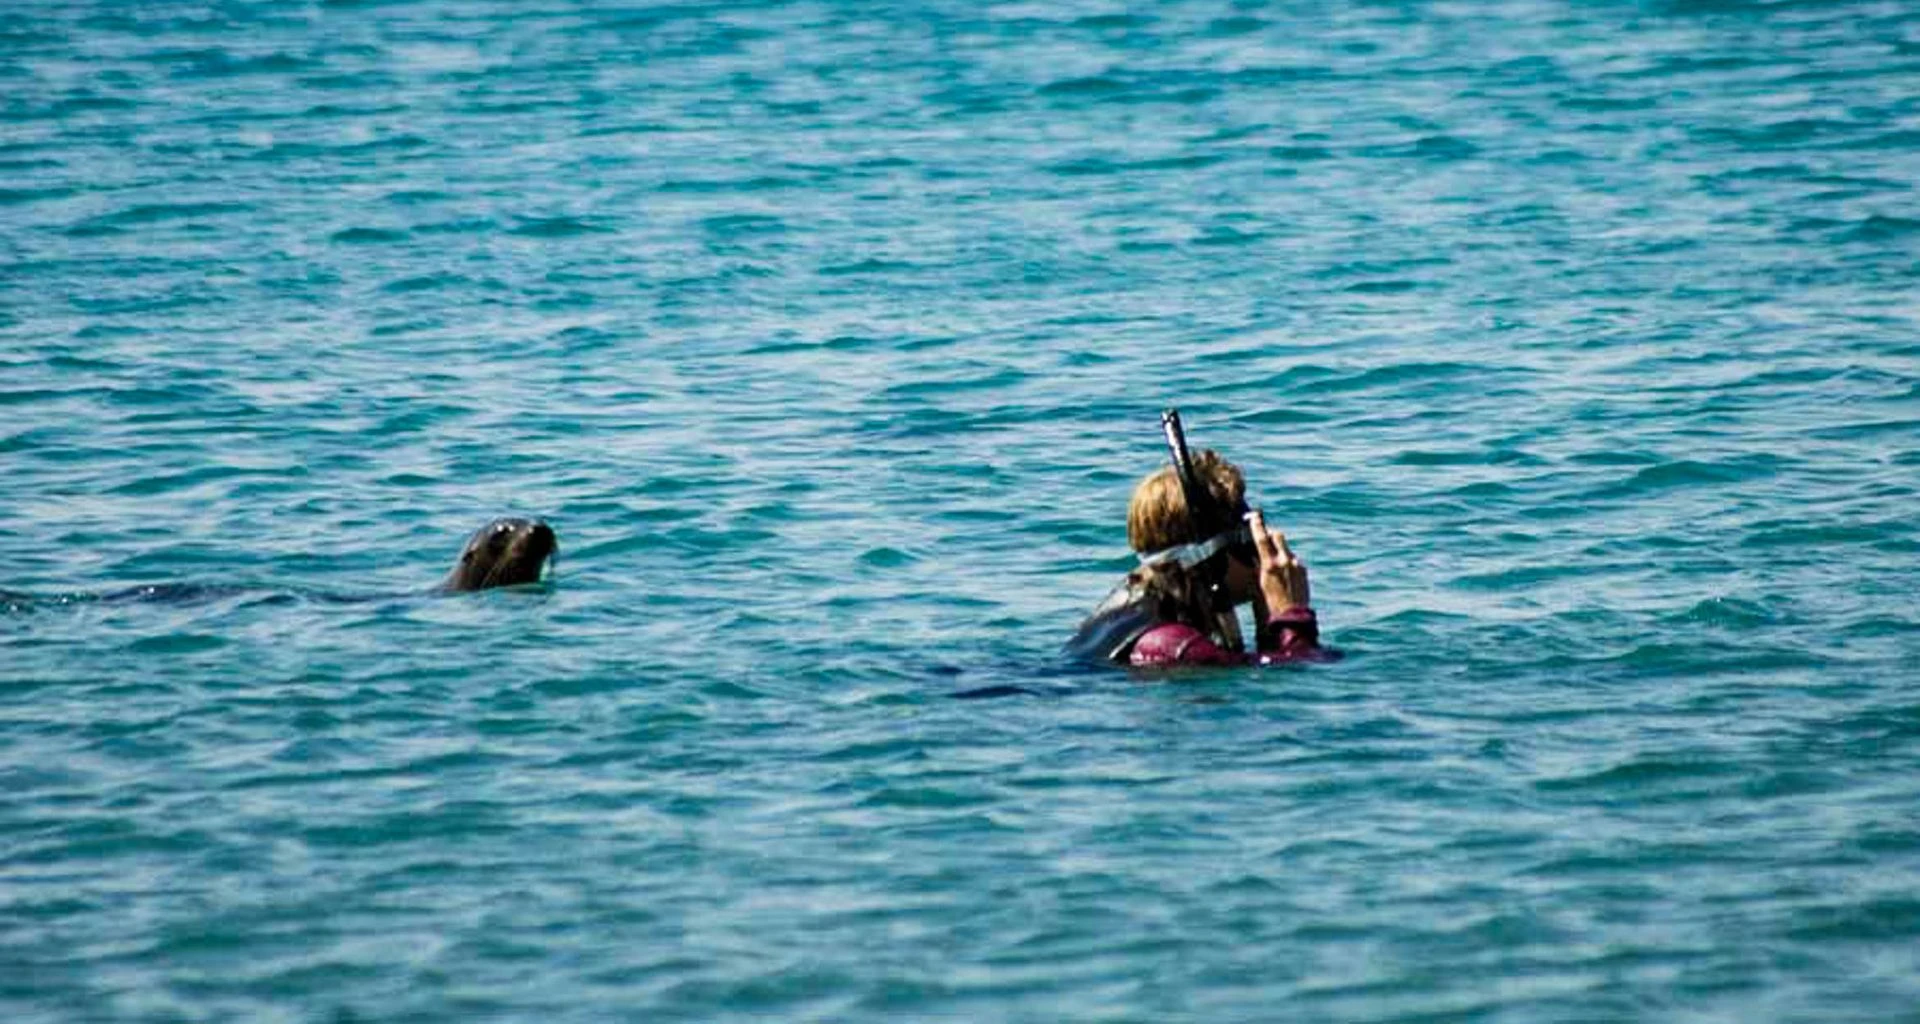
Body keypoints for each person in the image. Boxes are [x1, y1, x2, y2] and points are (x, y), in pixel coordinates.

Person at [1065, 414, 1336, 668]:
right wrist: (1291, 613)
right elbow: (1298, 673)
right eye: (1250, 543)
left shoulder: (1141, 613)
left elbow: (1267, 666)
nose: (1264, 556)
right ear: (1214, 556)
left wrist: (1270, 622)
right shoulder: (1175, 645)